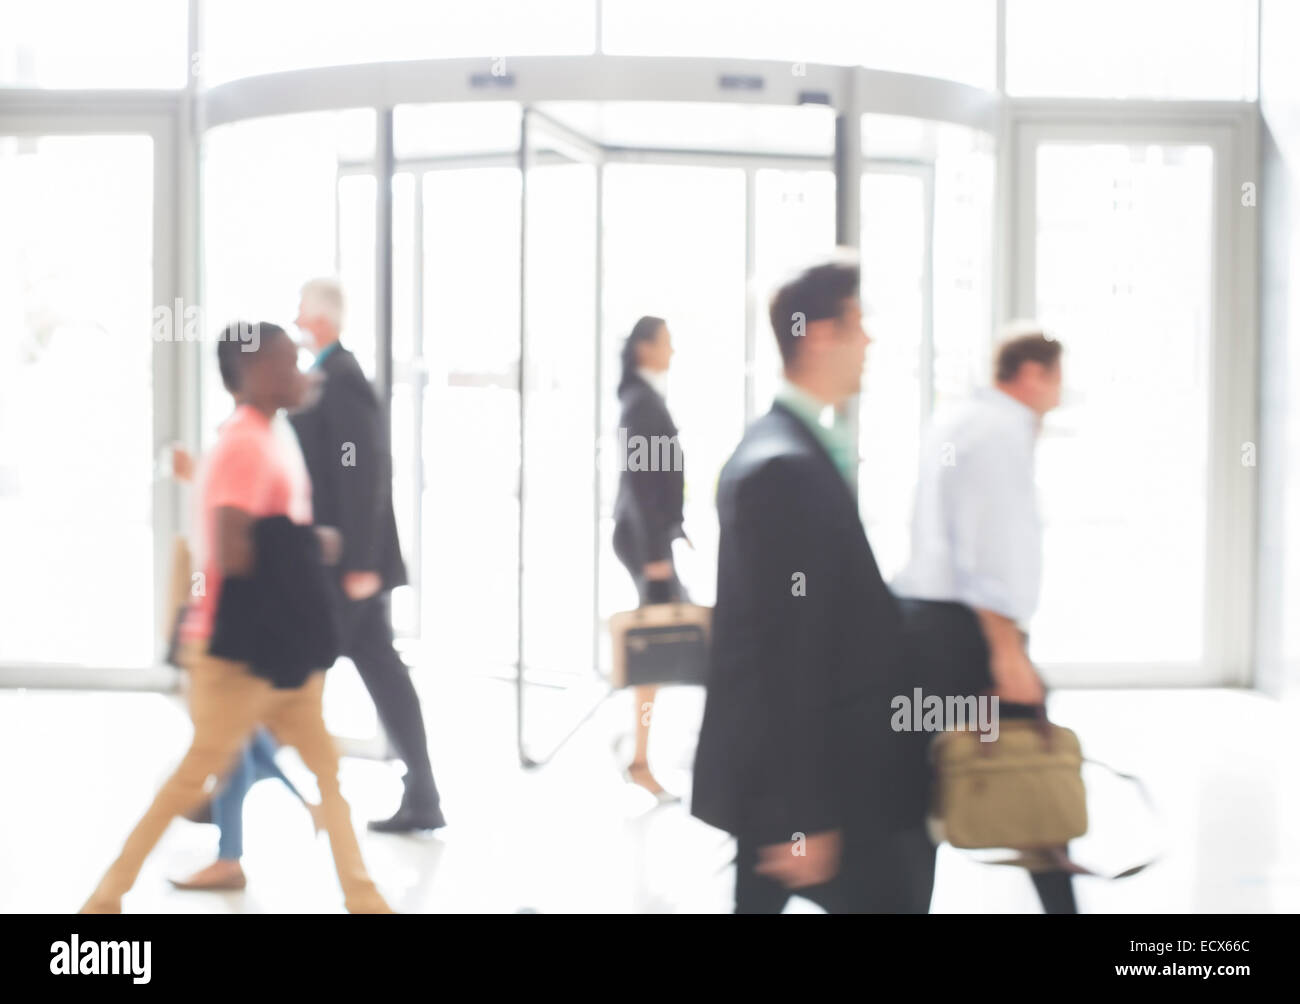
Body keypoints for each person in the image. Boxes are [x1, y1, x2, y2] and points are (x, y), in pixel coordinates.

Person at [81, 322, 391, 914]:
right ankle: (106, 896)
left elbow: (254, 533)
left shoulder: (267, 435)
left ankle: (365, 899)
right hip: (239, 656)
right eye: (287, 363)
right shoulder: (246, 443)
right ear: (252, 373)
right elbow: (232, 549)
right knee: (197, 776)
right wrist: (306, 542)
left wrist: (305, 541)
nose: (303, 374)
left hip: (276, 648)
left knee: (325, 772)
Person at [692, 259, 934, 914]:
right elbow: (783, 653)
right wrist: (798, 817)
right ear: (820, 335)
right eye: (860, 324)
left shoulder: (786, 446)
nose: (870, 342)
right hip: (827, 785)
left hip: (816, 777)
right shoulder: (784, 467)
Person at [893, 324, 1075, 914]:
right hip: (970, 633)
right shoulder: (999, 430)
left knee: (927, 782)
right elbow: (987, 552)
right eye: (1056, 378)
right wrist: (1007, 652)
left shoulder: (962, 418)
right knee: (1034, 773)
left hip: (933, 624)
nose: (1059, 393)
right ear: (1031, 373)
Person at [290, 278, 444, 834]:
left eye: (302, 308)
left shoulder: (342, 381)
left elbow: (361, 470)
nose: (295, 315)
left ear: (323, 318)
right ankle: (421, 791)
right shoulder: (326, 377)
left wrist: (359, 562)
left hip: (349, 569)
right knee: (376, 670)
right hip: (348, 566)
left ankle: (238, 773)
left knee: (292, 674)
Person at [612, 316, 688, 801]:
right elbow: (641, 486)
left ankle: (635, 748)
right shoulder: (640, 404)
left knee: (659, 652)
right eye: (667, 342)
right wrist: (656, 556)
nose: (673, 351)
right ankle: (638, 757)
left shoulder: (642, 399)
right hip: (646, 548)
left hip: (651, 544)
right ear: (644, 348)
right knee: (654, 654)